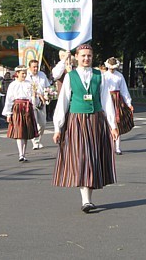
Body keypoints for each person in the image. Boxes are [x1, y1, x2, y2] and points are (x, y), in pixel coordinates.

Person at [52, 44, 117, 213]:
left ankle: (88, 198)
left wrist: (113, 125)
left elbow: (106, 101)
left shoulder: (99, 76)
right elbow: (63, 102)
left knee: (92, 158)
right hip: (76, 120)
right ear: (76, 57)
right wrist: (58, 127)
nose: (86, 58)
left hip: (95, 120)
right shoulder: (70, 77)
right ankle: (85, 200)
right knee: (82, 157)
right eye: (83, 56)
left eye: (89, 55)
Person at [3, 65, 38, 162]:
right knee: (19, 131)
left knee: (26, 131)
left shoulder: (29, 83)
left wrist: (34, 98)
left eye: (25, 73)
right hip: (18, 108)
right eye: (22, 73)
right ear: (17, 74)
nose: (24, 75)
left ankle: (24, 153)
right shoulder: (13, 85)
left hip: (27, 107)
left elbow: (32, 98)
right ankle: (20, 154)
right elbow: (9, 99)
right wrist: (8, 113)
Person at [103, 57, 134, 155]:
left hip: (117, 99)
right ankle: (108, 146)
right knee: (107, 122)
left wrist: (128, 103)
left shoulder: (119, 76)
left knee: (117, 122)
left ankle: (117, 147)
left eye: (113, 68)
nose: (112, 70)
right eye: (110, 68)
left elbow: (124, 90)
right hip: (106, 97)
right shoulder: (104, 76)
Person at [26, 59, 50, 150]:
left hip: (42, 102)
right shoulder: (27, 76)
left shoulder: (42, 75)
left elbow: (47, 87)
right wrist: (38, 94)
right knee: (34, 122)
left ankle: (38, 139)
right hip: (31, 102)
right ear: (30, 67)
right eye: (34, 67)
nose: (35, 69)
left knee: (43, 123)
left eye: (37, 67)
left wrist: (48, 94)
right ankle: (35, 142)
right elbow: (27, 89)